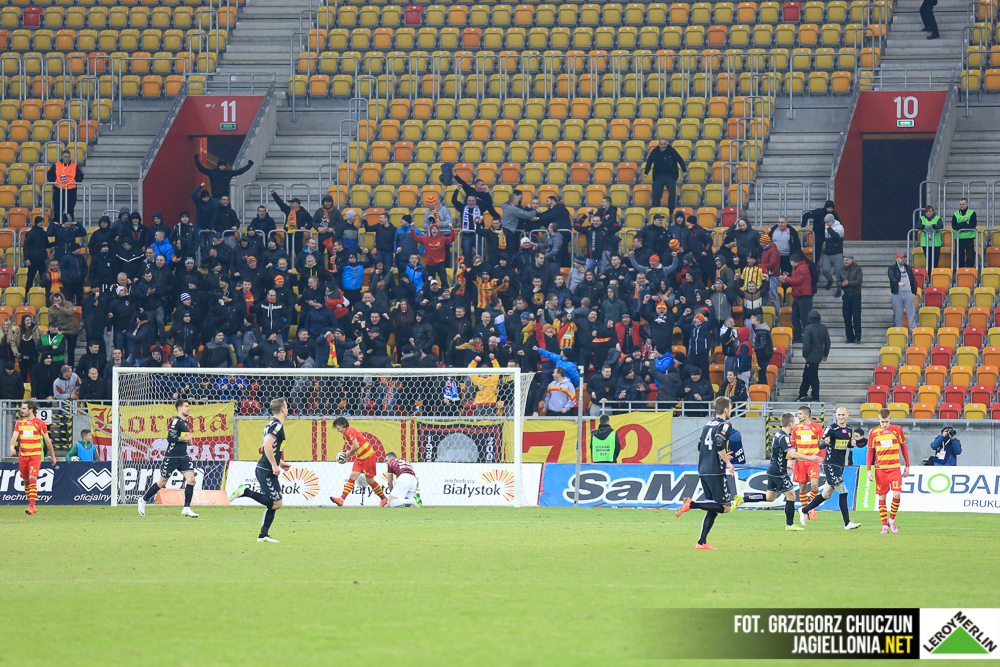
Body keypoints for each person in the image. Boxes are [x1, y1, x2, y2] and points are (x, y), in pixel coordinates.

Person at [674, 397, 741, 550]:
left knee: (713, 507)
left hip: (703, 469)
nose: (730, 411)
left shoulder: (707, 425)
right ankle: (691, 504)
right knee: (725, 507)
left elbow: (701, 446)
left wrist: (721, 454)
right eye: (730, 408)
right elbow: (718, 442)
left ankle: (701, 542)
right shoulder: (725, 424)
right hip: (715, 471)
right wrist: (727, 462)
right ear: (726, 409)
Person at [739, 412, 822, 531]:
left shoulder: (778, 434)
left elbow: (779, 453)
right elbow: (793, 453)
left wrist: (785, 462)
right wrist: (810, 458)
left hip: (773, 469)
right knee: (792, 496)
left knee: (770, 497)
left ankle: (742, 499)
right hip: (778, 471)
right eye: (794, 421)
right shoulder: (784, 437)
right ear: (790, 423)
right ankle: (790, 525)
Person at [228, 397, 290, 542]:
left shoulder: (271, 424)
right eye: (286, 407)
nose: (287, 409)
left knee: (276, 503)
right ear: (282, 409)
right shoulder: (277, 426)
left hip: (268, 468)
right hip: (266, 469)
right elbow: (267, 445)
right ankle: (246, 491)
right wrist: (274, 465)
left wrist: (279, 462)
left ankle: (263, 535)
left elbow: (272, 448)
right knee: (275, 503)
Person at [798, 407, 864, 529]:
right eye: (839, 415)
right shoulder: (831, 428)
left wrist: (851, 444)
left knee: (826, 495)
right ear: (836, 416)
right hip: (830, 464)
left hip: (840, 465)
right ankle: (847, 523)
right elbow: (820, 444)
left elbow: (846, 444)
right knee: (843, 491)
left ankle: (804, 510)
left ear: (847, 415)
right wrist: (825, 443)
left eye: (843, 415)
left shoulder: (849, 429)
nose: (841, 417)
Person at [137, 399, 200, 518]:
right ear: (179, 408)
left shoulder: (185, 422)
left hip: (183, 456)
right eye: (186, 406)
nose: (189, 408)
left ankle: (186, 508)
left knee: (191, 479)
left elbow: (181, 437)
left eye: (188, 406)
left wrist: (187, 440)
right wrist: (184, 439)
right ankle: (143, 500)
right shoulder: (176, 421)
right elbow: (170, 438)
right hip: (172, 457)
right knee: (162, 482)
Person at [866, 408, 910, 534]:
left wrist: (907, 465)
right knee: (882, 496)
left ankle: (892, 520)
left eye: (886, 422)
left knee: (897, 494)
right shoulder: (873, 432)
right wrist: (869, 469)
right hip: (880, 469)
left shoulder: (897, 429)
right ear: (878, 420)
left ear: (890, 419)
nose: (885, 424)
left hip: (895, 468)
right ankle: (884, 526)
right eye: (882, 422)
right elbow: (870, 451)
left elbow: (903, 447)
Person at [10, 400, 57, 515]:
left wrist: (53, 455)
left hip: (35, 456)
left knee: (32, 479)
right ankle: (32, 505)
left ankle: (31, 506)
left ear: (31, 409)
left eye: (24, 408)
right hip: (23, 456)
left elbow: (47, 440)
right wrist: (12, 447)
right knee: (26, 481)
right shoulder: (19, 423)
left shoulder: (40, 423)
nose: (22, 411)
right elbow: (14, 437)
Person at [330, 416, 388, 506]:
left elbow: (356, 446)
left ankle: (384, 499)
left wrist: (347, 455)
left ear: (344, 424)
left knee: (370, 480)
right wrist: (347, 456)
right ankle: (341, 500)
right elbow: (356, 447)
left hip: (368, 456)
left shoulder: (349, 431)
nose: (337, 427)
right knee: (352, 476)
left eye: (339, 425)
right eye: (336, 425)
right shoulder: (345, 435)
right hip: (359, 457)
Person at [790, 405, 824, 520]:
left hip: (813, 460)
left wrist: (823, 460)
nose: (798, 416)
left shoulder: (817, 427)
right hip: (800, 461)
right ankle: (805, 511)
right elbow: (791, 445)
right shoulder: (796, 428)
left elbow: (822, 445)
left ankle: (811, 507)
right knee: (802, 487)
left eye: (800, 414)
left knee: (814, 484)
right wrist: (789, 460)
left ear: (807, 415)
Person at [643, 137, 687, 213]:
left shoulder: (671, 151)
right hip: (658, 176)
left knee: (672, 194)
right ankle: (656, 211)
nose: (663, 146)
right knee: (656, 194)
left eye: (665, 144)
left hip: (670, 175)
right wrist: (646, 172)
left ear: (667, 144)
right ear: (659, 145)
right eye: (662, 144)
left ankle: (671, 211)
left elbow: (680, 160)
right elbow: (649, 162)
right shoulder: (655, 152)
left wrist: (684, 171)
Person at [779, 250, 812, 344]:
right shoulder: (795, 269)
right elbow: (793, 282)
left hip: (804, 297)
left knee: (804, 318)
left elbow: (798, 281)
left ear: (793, 261)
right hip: (796, 296)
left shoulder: (803, 268)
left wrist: (786, 278)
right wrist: (786, 280)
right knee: (795, 318)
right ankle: (797, 337)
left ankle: (808, 338)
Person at [798, 310, 830, 402]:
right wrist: (825, 354)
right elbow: (828, 342)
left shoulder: (808, 328)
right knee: (806, 375)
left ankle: (815, 397)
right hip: (819, 355)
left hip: (811, 356)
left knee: (812, 376)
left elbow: (806, 343)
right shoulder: (823, 328)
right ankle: (802, 394)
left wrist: (805, 354)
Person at [48, 149, 83, 223]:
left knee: (70, 210)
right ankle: (57, 225)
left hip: (71, 191)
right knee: (58, 209)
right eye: (65, 157)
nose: (67, 158)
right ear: (62, 157)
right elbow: (49, 175)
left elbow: (80, 176)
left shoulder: (74, 166)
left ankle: (70, 224)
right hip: (59, 190)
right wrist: (56, 181)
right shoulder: (56, 165)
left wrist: (74, 181)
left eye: (69, 157)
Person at [889, 252, 918, 331]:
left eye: (904, 258)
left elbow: (913, 280)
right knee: (898, 315)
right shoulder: (892, 268)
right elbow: (892, 278)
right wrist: (898, 283)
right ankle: (900, 330)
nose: (903, 259)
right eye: (901, 258)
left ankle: (913, 330)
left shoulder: (908, 268)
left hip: (908, 293)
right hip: (897, 294)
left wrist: (914, 292)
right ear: (897, 259)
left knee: (911, 314)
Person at [819, 214, 844, 293]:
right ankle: (830, 280)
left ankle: (839, 289)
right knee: (825, 270)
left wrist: (829, 229)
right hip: (828, 252)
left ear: (832, 221)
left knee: (838, 272)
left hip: (837, 252)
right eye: (825, 222)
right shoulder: (826, 228)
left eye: (828, 222)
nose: (826, 224)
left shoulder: (839, 227)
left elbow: (836, 237)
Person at [952, 198, 977, 268]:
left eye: (963, 204)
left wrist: (960, 226)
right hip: (959, 239)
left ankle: (969, 270)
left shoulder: (972, 213)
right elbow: (954, 226)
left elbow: (973, 225)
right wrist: (965, 223)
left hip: (969, 238)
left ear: (967, 204)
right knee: (959, 257)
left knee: (970, 256)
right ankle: (961, 270)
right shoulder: (956, 214)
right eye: (960, 204)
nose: (961, 206)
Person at [919, 204, 943, 271]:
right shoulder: (922, 218)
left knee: (935, 260)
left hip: (936, 243)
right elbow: (917, 226)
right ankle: (929, 274)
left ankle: (934, 274)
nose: (928, 213)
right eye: (927, 212)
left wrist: (933, 226)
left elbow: (940, 226)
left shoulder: (937, 218)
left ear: (933, 212)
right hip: (925, 243)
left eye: (930, 211)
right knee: (928, 261)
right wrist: (924, 226)